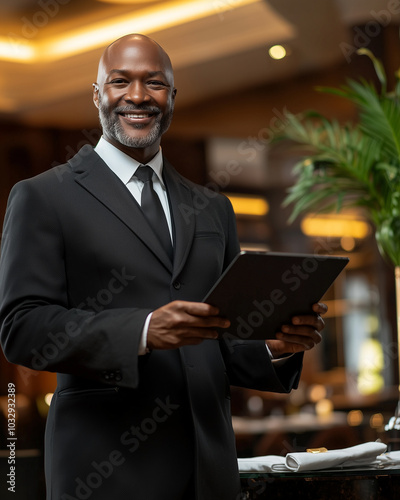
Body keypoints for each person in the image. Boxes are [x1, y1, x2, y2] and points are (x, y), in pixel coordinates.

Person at [0, 34, 326, 500]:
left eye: (154, 83)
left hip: (209, 469)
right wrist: (144, 330)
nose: (137, 96)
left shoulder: (213, 208)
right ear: (98, 96)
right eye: (120, 81)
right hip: (104, 471)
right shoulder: (43, 197)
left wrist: (272, 344)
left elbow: (224, 338)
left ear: (171, 97)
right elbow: (23, 327)